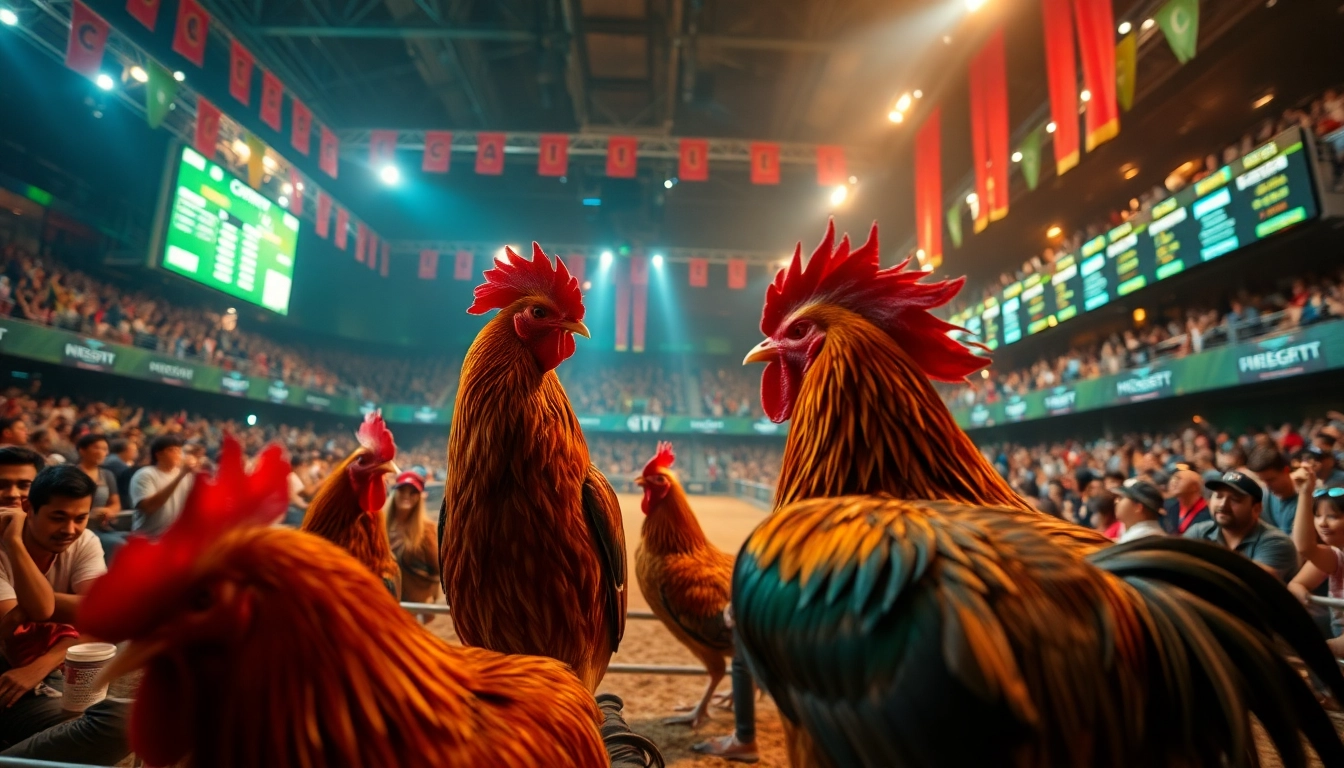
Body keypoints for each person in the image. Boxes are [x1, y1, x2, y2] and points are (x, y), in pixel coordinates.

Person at [0, 460, 129, 762]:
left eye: (80, 518)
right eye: (58, 518)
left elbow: (103, 616)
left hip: (49, 671)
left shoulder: (85, 541)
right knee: (116, 726)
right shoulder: (5, 547)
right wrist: (15, 542)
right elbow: (38, 610)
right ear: (28, 508)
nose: (69, 530)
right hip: (9, 680)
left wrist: (40, 665)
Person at [1186, 471, 1298, 582]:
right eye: (1219, 496)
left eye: (1235, 499)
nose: (1223, 504)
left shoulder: (1276, 542)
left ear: (1256, 509)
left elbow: (1249, 584)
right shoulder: (1199, 532)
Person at [1287, 483, 1344, 657]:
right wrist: (1305, 493)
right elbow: (1305, 549)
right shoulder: (1336, 555)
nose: (1322, 523)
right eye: (1317, 516)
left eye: (1332, 516)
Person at [383, 472, 440, 614]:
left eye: (413, 492)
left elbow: (436, 569)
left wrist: (429, 601)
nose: (406, 495)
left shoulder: (427, 530)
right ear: (394, 492)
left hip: (413, 607)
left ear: (419, 497)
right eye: (402, 490)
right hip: (383, 603)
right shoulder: (380, 524)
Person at [128, 434, 196, 535]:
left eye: (179, 450)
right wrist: (180, 476)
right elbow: (149, 507)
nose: (178, 454)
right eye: (172, 450)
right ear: (159, 454)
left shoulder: (187, 475)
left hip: (177, 535)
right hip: (150, 536)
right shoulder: (145, 475)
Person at [74, 435, 124, 565]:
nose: (102, 452)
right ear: (82, 450)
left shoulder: (107, 475)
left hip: (102, 527)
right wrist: (90, 514)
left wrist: (107, 510)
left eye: (105, 449)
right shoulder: (72, 473)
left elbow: (116, 504)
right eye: (97, 448)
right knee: (118, 545)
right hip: (81, 526)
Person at [1248, 447, 1300, 533]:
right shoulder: (1263, 496)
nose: (1267, 486)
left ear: (1286, 470)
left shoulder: (1304, 500)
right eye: (1262, 480)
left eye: (1270, 480)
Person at [1162, 467, 1210, 535]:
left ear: (1195, 487)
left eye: (1178, 479)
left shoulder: (1208, 513)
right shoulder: (1168, 506)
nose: (1173, 482)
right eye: (1173, 478)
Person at [100, 439, 137, 506]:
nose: (136, 453)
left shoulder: (122, 462)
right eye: (134, 450)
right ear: (125, 450)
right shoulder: (114, 463)